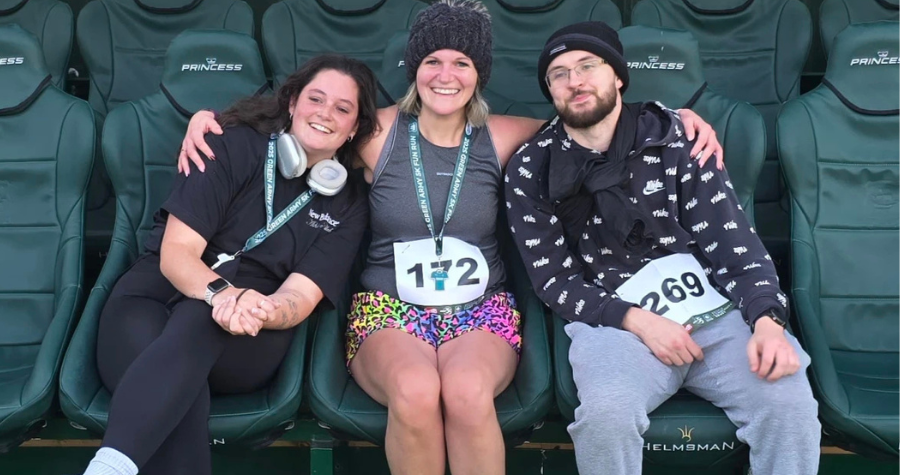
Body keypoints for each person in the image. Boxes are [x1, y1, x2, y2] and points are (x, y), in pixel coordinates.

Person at [178, 3, 722, 474]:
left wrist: (676, 118)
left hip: (480, 309)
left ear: (478, 74)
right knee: (415, 393)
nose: (445, 74)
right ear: (414, 70)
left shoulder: (508, 136)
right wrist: (209, 121)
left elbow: (595, 121)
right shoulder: (375, 133)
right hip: (387, 307)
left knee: (464, 394)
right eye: (432, 61)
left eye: (461, 62)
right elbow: (306, 124)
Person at [504, 21, 821, 475]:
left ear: (617, 75)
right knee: (605, 417)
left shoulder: (676, 137)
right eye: (559, 73)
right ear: (550, 90)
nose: (575, 81)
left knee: (789, 402)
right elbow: (554, 281)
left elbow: (737, 247)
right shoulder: (532, 166)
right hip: (615, 324)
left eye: (587, 66)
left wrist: (768, 321)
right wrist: (638, 321)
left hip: (714, 312)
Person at [78, 55, 377, 475]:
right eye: (316, 98)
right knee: (182, 385)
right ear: (291, 102)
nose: (325, 113)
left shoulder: (348, 205)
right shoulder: (229, 142)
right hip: (155, 296)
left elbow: (301, 295)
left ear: (355, 129)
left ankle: (109, 467)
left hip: (252, 332)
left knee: (199, 325)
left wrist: (262, 308)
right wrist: (225, 293)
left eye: (343, 109)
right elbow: (177, 252)